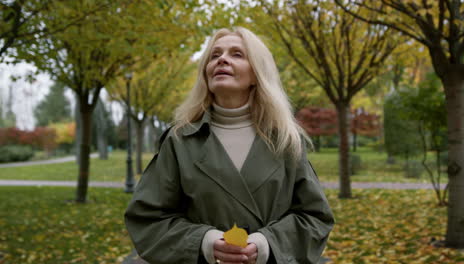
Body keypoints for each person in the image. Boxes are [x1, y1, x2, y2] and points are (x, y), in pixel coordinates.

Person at [124, 27, 334, 264]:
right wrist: (204, 242)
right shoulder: (179, 140)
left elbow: (316, 218)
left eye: (237, 54)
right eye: (214, 56)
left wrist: (267, 244)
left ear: (256, 74)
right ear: (206, 73)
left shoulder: (286, 141)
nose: (222, 59)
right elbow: (146, 218)